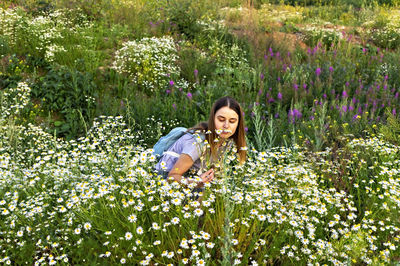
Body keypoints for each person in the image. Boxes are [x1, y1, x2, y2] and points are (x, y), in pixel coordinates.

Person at [155, 96, 247, 189]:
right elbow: (171, 178)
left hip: (191, 185)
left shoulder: (228, 141)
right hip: (162, 183)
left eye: (232, 121)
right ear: (212, 119)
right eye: (221, 120)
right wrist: (196, 182)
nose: (226, 125)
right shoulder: (197, 143)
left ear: (238, 123)